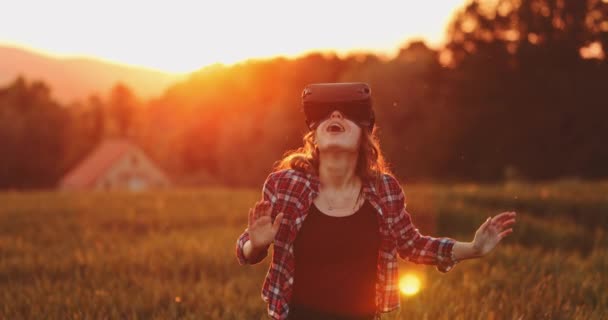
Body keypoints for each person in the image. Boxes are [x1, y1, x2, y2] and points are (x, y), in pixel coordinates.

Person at [235, 82, 517, 320]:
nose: (335, 114)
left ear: (365, 134)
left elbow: (412, 244)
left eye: (347, 113)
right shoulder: (284, 185)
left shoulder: (384, 190)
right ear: (314, 136)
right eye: (324, 114)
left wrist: (474, 248)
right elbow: (246, 248)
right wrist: (256, 245)